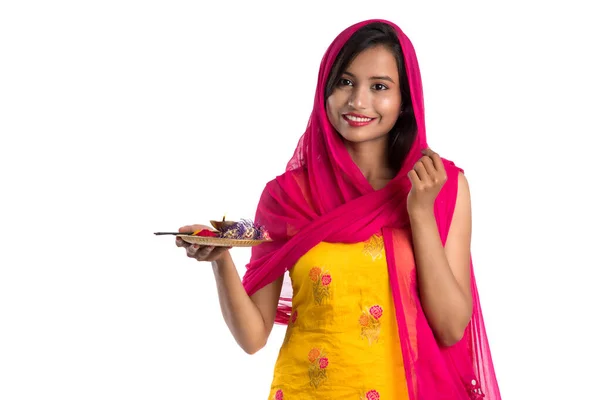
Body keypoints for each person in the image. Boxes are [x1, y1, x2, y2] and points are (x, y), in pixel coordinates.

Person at [176, 19, 501, 400]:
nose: (357, 101)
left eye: (379, 87)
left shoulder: (440, 187)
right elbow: (253, 337)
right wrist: (221, 260)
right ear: (324, 91)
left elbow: (450, 328)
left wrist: (421, 214)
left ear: (406, 99)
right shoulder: (286, 197)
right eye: (345, 82)